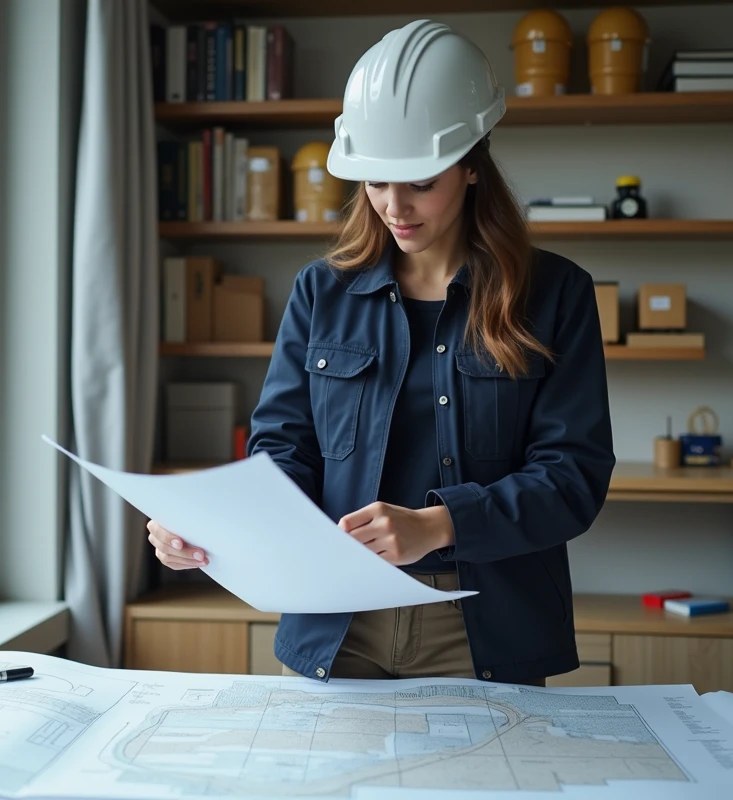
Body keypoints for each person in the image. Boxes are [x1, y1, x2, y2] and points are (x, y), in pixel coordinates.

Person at [146, 19, 615, 685]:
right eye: (373, 180)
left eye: (420, 180)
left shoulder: (556, 294)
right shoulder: (321, 291)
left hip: (483, 631)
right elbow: (283, 448)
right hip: (334, 623)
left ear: (472, 164)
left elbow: (573, 478)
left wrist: (439, 525)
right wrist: (212, 526)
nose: (394, 205)